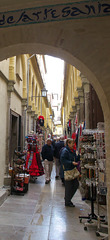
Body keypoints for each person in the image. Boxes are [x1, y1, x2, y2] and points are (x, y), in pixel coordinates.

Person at [60, 138, 79, 207]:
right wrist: (71, 163)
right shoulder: (65, 151)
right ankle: (67, 201)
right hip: (67, 171)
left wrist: (78, 156)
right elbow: (63, 160)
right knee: (69, 187)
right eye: (72, 143)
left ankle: (68, 198)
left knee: (75, 185)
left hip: (72, 170)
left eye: (73, 143)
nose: (73, 144)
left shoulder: (72, 151)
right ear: (68, 143)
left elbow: (76, 158)